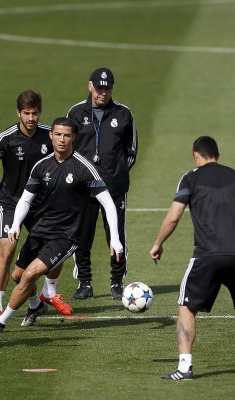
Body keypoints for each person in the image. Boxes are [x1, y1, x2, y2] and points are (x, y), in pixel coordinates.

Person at [0, 117, 124, 334]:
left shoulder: (84, 168)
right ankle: (37, 305)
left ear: (73, 138)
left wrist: (114, 238)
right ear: (50, 136)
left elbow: (108, 202)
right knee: (17, 277)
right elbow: (25, 199)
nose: (62, 140)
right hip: (40, 231)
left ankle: (1, 321)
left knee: (30, 275)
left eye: (67, 135)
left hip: (66, 237)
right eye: (58, 135)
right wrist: (15, 225)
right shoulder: (42, 166)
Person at [149, 136, 235, 379]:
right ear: (217, 154)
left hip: (206, 256)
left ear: (196, 155)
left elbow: (174, 217)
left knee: (186, 307)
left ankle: (185, 367)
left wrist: (158, 243)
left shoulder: (190, 178)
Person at [0, 90, 73, 324]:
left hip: (41, 206)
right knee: (7, 251)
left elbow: (66, 160)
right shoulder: (6, 138)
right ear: (18, 112)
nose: (31, 118)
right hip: (11, 203)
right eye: (27, 113)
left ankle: (46, 294)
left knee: (53, 251)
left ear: (40, 112)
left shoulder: (49, 135)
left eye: (35, 113)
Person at [66, 67, 138, 300]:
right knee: (82, 235)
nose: (103, 92)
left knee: (116, 234)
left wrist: (116, 173)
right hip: (83, 189)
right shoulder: (76, 113)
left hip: (114, 188)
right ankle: (84, 283)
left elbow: (131, 150)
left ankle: (117, 282)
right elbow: (68, 148)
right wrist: (80, 176)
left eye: (107, 88)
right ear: (90, 86)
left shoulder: (123, 113)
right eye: (99, 88)